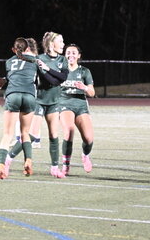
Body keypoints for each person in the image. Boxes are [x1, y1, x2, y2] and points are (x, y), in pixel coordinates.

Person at [5, 32, 69, 177]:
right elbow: (53, 81)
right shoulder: (39, 59)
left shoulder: (62, 60)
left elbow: (63, 78)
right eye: (60, 41)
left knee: (54, 135)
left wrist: (47, 69)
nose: (63, 44)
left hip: (54, 102)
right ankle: (8, 159)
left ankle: (54, 168)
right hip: (39, 100)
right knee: (32, 134)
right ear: (51, 44)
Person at [0, 38, 39, 179]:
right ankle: (28, 161)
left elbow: (11, 77)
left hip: (13, 94)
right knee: (25, 132)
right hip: (29, 96)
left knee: (7, 135)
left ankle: (1, 166)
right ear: (27, 48)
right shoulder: (35, 60)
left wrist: (1, 81)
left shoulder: (9, 61)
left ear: (13, 49)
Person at [58, 44, 95, 177]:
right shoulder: (59, 70)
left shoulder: (84, 71)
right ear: (65, 55)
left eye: (74, 53)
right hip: (64, 104)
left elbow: (92, 93)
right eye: (68, 52)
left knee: (88, 139)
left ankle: (85, 155)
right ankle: (66, 164)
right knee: (69, 131)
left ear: (79, 56)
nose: (71, 55)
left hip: (81, 105)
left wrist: (84, 87)